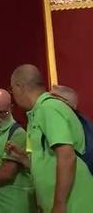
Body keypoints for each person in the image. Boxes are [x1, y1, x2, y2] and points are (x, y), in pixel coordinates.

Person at [10, 64, 93, 213]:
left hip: (74, 206)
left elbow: (67, 156)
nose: (13, 95)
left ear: (20, 87)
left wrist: (59, 204)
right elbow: (50, 160)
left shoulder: (49, 108)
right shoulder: (37, 113)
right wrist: (24, 160)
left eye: (12, 89)